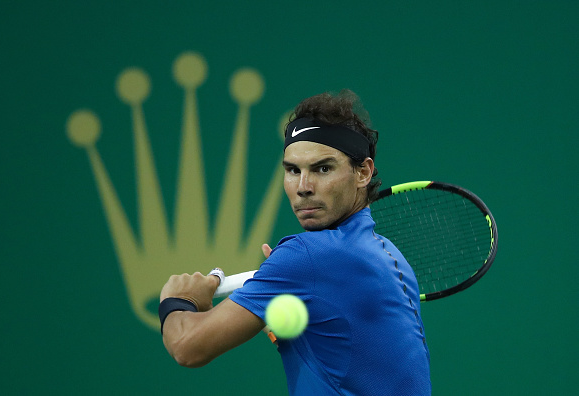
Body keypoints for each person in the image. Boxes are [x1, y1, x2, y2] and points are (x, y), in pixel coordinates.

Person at [159, 90, 431, 395]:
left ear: (362, 172)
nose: (303, 187)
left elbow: (187, 348)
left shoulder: (308, 256)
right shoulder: (392, 257)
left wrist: (178, 301)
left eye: (322, 168)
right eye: (292, 170)